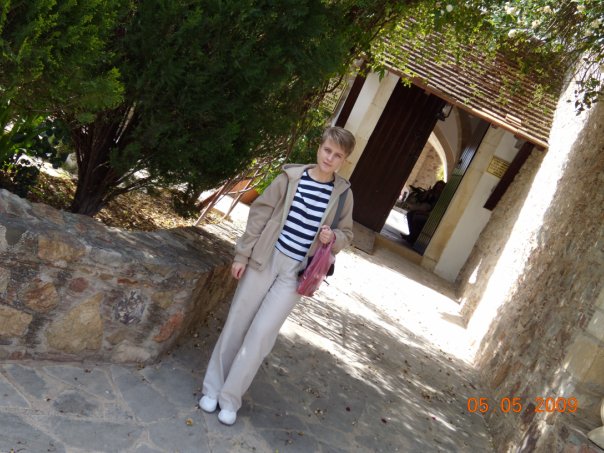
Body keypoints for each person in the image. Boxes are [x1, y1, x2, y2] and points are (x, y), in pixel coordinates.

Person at [199, 126, 355, 425]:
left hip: (295, 274)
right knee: (237, 323)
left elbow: (347, 233)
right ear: (319, 148)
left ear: (344, 160)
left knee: (261, 334)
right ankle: (212, 388)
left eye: (337, 155)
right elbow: (258, 215)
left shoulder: (343, 195)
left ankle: (230, 398)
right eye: (327, 150)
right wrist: (242, 255)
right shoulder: (290, 177)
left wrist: (333, 236)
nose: (329, 158)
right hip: (264, 260)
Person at [401, 180, 445, 245]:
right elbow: (422, 200)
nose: (438, 188)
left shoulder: (441, 197)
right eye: (437, 186)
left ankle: (412, 237)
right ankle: (411, 235)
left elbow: (434, 209)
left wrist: (423, 212)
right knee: (410, 214)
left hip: (429, 213)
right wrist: (427, 194)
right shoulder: (431, 192)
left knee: (417, 217)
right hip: (423, 209)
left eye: (440, 187)